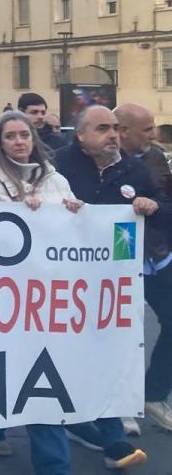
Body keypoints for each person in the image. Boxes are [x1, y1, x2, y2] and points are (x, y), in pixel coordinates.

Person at [0, 111, 85, 465]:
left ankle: (54, 465)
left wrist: (76, 212)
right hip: (5, 296)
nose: (19, 142)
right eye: (10, 136)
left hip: (48, 294)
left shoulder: (57, 180)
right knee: (1, 369)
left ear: (34, 139)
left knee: (41, 379)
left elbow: (74, 230)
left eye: (24, 135)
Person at [54, 106, 162, 467]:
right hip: (62, 279)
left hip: (112, 281)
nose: (113, 134)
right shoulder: (58, 166)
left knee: (107, 351)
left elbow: (163, 206)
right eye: (103, 128)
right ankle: (73, 420)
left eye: (116, 128)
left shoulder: (133, 169)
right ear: (81, 135)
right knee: (69, 355)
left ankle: (113, 435)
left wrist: (153, 206)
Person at [115, 104, 172, 432]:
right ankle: (118, 404)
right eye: (147, 129)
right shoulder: (94, 163)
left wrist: (156, 208)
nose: (154, 135)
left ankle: (154, 394)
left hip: (156, 257)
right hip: (116, 258)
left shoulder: (154, 158)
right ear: (124, 131)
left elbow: (165, 203)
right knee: (119, 331)